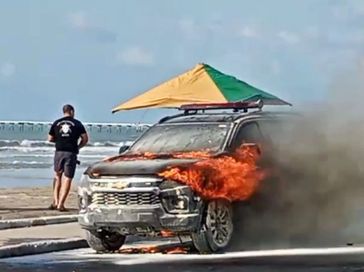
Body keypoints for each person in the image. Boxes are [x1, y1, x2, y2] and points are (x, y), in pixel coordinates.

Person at [48, 104, 88, 211]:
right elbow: (85, 138)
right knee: (68, 178)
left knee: (57, 175)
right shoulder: (77, 123)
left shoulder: (56, 123)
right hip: (70, 152)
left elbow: (50, 138)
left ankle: (55, 201)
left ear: (63, 112)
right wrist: (78, 146)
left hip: (59, 151)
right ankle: (61, 204)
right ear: (72, 111)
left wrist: (60, 140)